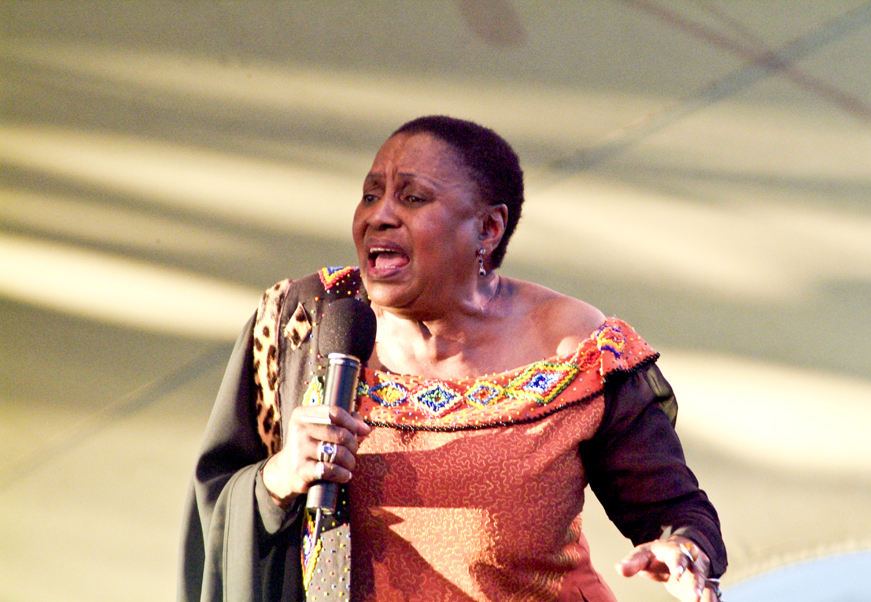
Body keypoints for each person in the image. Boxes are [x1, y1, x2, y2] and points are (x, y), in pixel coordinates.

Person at [178, 115, 727, 602]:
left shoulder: (576, 350)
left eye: (412, 198)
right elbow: (216, 503)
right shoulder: (305, 324)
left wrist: (683, 550)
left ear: (487, 228)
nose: (379, 217)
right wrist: (279, 477)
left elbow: (676, 511)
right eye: (371, 195)